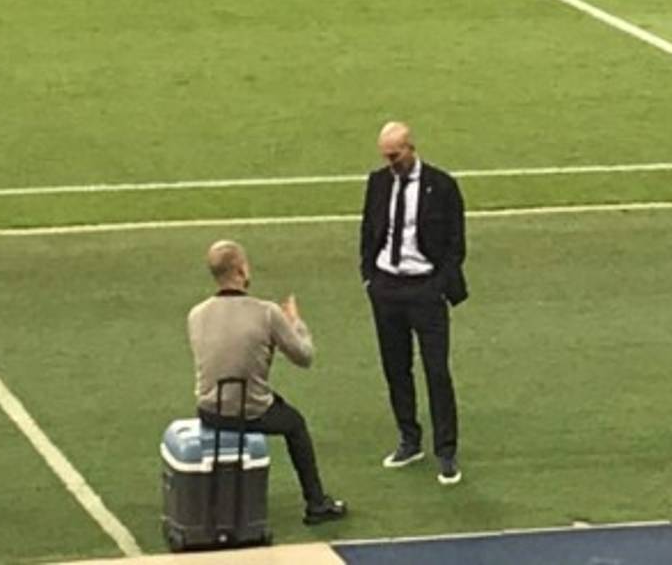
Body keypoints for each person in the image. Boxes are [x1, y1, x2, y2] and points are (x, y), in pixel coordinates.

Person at [187, 239, 347, 524]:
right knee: (295, 425)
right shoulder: (266, 312)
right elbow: (304, 356)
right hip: (251, 410)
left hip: (210, 409)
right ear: (241, 269)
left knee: (270, 405)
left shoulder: (196, 315)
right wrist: (296, 323)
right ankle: (316, 503)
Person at [359, 121, 467, 486]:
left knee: (437, 371)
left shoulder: (442, 185)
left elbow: (456, 243)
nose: (391, 162)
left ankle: (446, 451)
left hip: (425, 289)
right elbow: (368, 230)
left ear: (411, 147)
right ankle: (409, 439)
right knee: (396, 368)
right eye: (386, 156)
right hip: (387, 287)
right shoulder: (378, 182)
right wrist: (369, 277)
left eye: (395, 155)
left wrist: (439, 285)